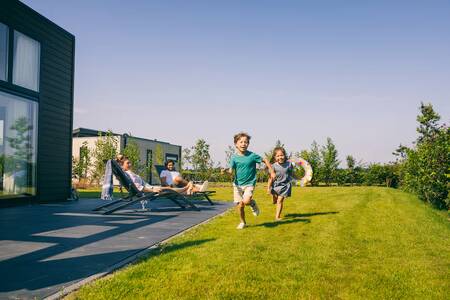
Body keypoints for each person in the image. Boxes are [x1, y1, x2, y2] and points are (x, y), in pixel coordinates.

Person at [224, 132, 275, 229]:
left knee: (246, 201)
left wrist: (271, 171)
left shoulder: (252, 156)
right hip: (237, 185)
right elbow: (231, 171)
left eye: (246, 142)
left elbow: (265, 160)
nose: (243, 144)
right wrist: (225, 171)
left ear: (248, 144)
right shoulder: (234, 157)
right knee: (240, 206)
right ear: (236, 144)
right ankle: (243, 222)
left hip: (249, 183)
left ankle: (252, 203)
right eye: (241, 142)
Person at [267, 147, 295, 221]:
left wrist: (297, 180)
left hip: (285, 185)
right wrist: (268, 188)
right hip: (276, 185)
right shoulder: (273, 166)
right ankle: (274, 196)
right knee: (275, 200)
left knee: (280, 201)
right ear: (275, 157)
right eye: (278, 156)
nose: (280, 157)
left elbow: (292, 174)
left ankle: (277, 216)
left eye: (282, 155)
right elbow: (270, 178)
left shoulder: (289, 164)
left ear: (285, 155)